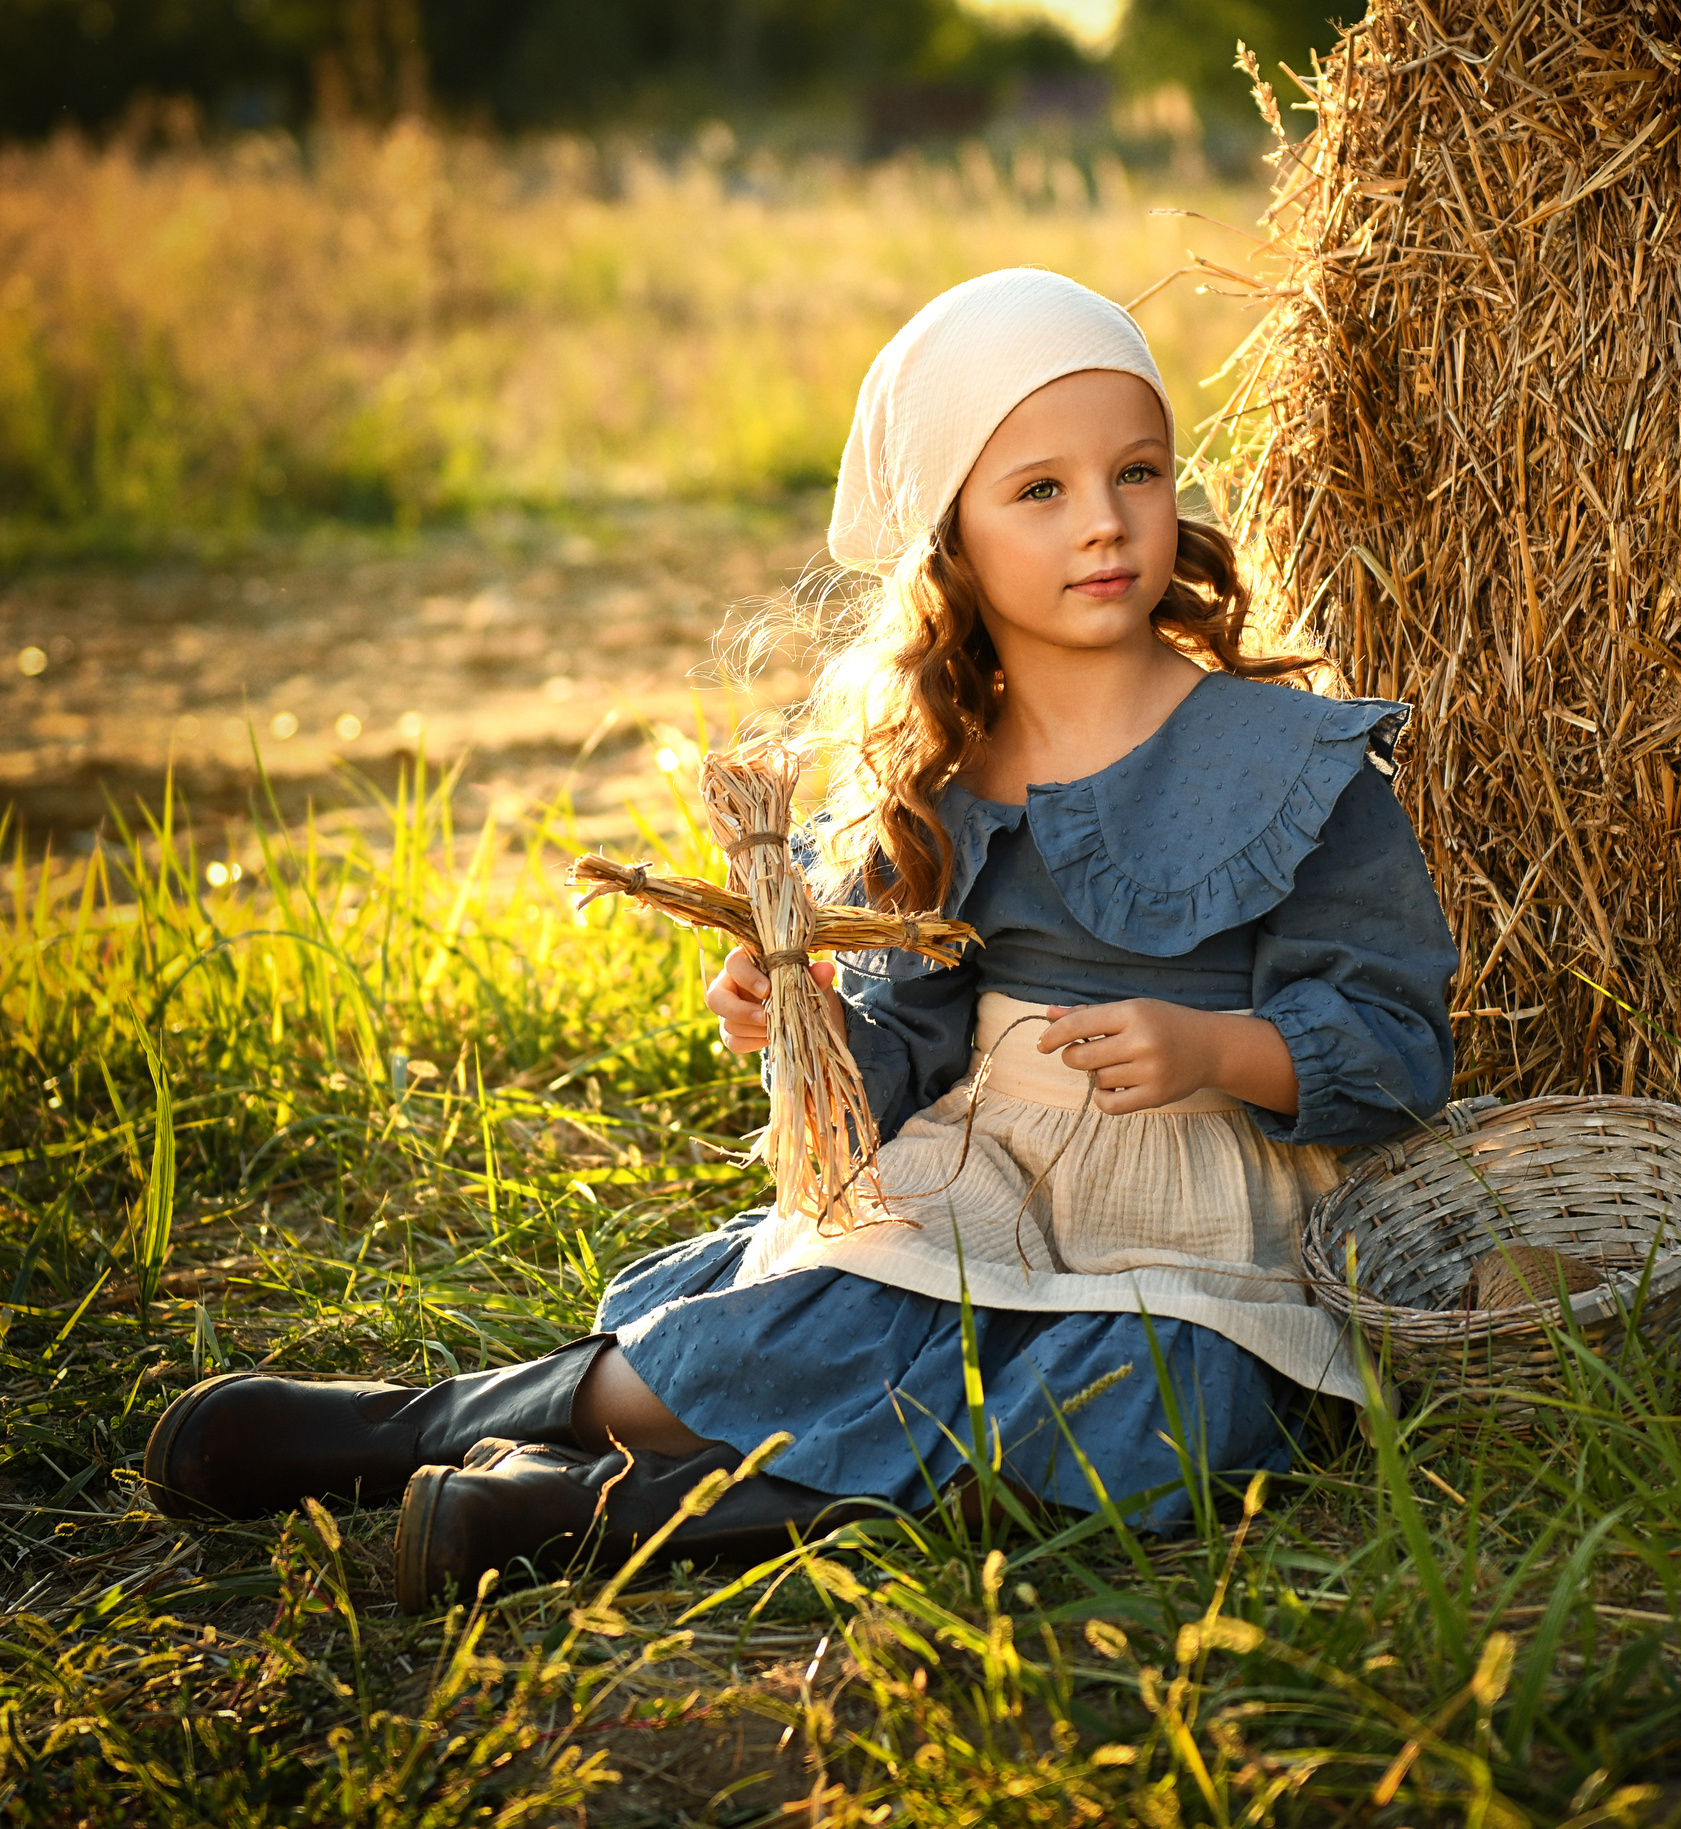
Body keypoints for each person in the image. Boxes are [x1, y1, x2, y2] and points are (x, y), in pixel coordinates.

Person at [142, 269, 1458, 1612]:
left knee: (1144, 1416)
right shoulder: (937, 782)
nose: (1105, 521)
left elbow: (1399, 1043)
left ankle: (597, 1515)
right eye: (1039, 490)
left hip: (1199, 1233)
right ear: (952, 541)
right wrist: (815, 1029)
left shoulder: (1296, 764)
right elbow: (908, 1056)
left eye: (1138, 471)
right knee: (800, 1337)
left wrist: (1220, 1049)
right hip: (979, 1182)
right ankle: (401, 1429)